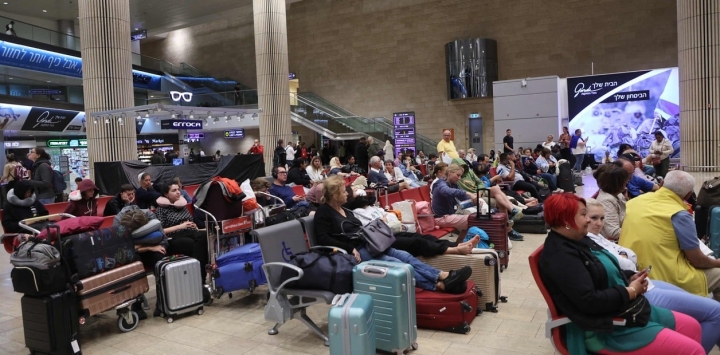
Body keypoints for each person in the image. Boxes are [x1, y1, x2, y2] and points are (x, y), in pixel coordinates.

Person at [539, 193, 704, 355]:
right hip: (606, 329)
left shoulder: (577, 240)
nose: (589, 220)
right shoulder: (561, 256)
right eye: (584, 215)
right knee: (694, 350)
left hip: (624, 310)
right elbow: (590, 301)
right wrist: (631, 291)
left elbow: (602, 270)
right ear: (566, 220)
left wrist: (629, 276)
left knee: (693, 327)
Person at [586, 198, 720, 353]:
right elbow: (625, 261)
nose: (599, 223)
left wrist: (624, 257)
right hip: (639, 292)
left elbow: (628, 256)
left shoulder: (633, 205)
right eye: (593, 218)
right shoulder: (676, 211)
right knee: (716, 312)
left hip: (645, 282)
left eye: (601, 218)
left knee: (705, 308)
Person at [314, 175, 472, 294]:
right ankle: (438, 285)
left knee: (405, 256)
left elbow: (358, 224)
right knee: (400, 265)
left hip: (369, 244)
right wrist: (349, 248)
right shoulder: (323, 212)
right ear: (335, 195)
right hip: (356, 252)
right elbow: (323, 238)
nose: (347, 194)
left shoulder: (345, 209)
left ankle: (443, 275)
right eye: (343, 191)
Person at [620, 170, 720, 300]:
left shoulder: (633, 203)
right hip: (663, 278)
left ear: (661, 184)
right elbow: (697, 260)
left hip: (631, 272)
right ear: (688, 194)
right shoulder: (679, 214)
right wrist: (717, 263)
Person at [348, 192, 479, 256]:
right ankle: (454, 250)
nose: (364, 196)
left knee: (427, 237)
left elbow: (389, 216)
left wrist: (386, 219)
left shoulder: (372, 208)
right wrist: (385, 219)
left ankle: (458, 244)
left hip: (393, 231)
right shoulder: (358, 212)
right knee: (418, 242)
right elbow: (373, 228)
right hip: (384, 239)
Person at [153, 182, 210, 303]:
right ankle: (199, 281)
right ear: (165, 194)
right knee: (194, 244)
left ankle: (197, 281)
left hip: (190, 232)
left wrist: (192, 225)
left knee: (204, 236)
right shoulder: (161, 210)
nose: (178, 192)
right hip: (173, 237)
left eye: (178, 189)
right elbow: (161, 231)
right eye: (174, 190)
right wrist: (180, 226)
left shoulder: (182, 206)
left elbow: (190, 220)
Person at [593, 162, 631, 241]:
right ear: (616, 183)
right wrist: (639, 230)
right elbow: (613, 232)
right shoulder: (606, 201)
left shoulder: (618, 194)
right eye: (625, 180)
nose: (627, 182)